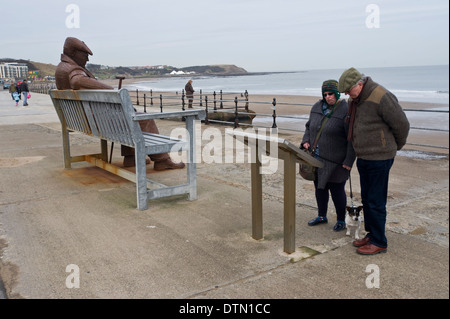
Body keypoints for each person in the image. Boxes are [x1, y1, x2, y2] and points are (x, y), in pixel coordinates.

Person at [55, 37, 185, 171]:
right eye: (85, 55)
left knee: (127, 115)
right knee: (143, 118)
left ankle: (131, 158)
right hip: (94, 123)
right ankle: (162, 160)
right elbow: (77, 81)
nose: (87, 59)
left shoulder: (62, 68)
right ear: (74, 53)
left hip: (79, 120)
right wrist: (112, 91)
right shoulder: (72, 70)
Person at [338, 67, 410, 255]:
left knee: (376, 201)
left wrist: (392, 147)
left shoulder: (381, 96)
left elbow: (402, 125)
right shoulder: (356, 99)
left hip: (380, 158)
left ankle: (379, 241)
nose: (346, 94)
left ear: (359, 85)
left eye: (348, 90)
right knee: (368, 199)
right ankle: (371, 234)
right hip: (364, 157)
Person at [301, 80, 356, 232]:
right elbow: (308, 126)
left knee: (337, 191)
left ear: (337, 93)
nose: (327, 97)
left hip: (337, 161)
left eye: (330, 93)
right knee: (320, 188)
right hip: (316, 158)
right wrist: (306, 140)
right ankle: (321, 216)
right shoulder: (317, 107)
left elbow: (352, 138)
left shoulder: (346, 109)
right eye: (324, 94)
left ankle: (341, 220)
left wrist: (349, 160)